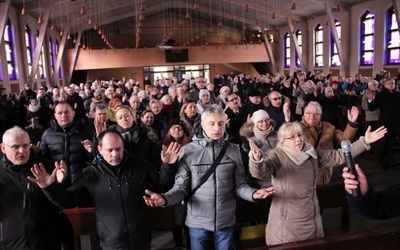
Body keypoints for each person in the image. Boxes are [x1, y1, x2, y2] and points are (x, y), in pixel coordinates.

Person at [143, 105, 274, 250]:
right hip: (197, 222)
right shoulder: (187, 151)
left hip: (226, 221)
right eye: (211, 124)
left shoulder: (233, 150)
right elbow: (181, 189)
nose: (217, 128)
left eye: (220, 123)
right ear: (203, 125)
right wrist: (165, 199)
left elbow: (239, 185)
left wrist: (253, 193)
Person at [28, 129, 180, 250]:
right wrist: (49, 187)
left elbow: (162, 185)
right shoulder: (91, 173)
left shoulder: (139, 165)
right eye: (110, 150)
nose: (115, 154)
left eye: (118, 149)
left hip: (141, 238)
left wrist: (168, 166)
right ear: (100, 149)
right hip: (111, 241)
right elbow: (68, 201)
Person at [248, 122, 386, 245]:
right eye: (292, 137)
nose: (298, 139)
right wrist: (256, 159)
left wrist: (364, 142)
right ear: (283, 141)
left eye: (300, 135)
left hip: (312, 215)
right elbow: (261, 172)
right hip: (288, 222)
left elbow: (337, 156)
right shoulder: (277, 155)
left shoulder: (310, 153)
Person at [0, 126, 64, 249]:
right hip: (11, 244)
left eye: (25, 145)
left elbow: (64, 204)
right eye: (15, 147)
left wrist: (51, 187)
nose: (22, 151)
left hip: (46, 243)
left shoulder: (45, 166)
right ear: (3, 148)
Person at [299, 101, 360, 185]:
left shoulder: (328, 127)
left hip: (326, 175)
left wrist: (352, 123)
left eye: (316, 114)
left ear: (320, 116)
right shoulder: (297, 128)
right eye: (308, 113)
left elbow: (344, 139)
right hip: (305, 178)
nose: (312, 116)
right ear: (304, 114)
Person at [367, 78, 400, 170]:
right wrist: (370, 100)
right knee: (383, 143)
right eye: (389, 83)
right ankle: (381, 161)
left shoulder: (397, 94)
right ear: (385, 85)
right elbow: (372, 108)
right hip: (384, 123)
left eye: (393, 83)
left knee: (391, 143)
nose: (391, 85)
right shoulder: (380, 95)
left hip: (395, 123)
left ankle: (389, 160)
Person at [240, 109, 278, 188]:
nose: (264, 123)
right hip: (258, 180)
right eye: (260, 121)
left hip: (276, 178)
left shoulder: (277, 135)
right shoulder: (250, 136)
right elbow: (245, 152)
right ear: (255, 123)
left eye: (266, 120)